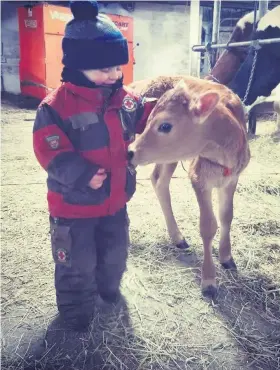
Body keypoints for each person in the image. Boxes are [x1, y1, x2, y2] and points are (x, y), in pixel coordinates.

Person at [33, 0, 156, 332]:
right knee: (76, 264)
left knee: (115, 255)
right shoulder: (55, 107)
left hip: (115, 203)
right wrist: (84, 175)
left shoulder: (124, 99)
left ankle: (109, 289)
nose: (114, 75)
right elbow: (50, 151)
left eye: (118, 68)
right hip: (73, 210)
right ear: (78, 66)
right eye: (105, 69)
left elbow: (147, 115)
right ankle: (75, 312)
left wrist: (168, 107)